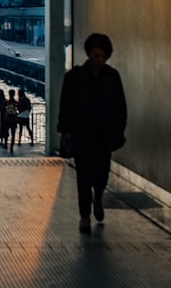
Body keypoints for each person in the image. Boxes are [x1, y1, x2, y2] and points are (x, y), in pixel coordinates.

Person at [58, 32, 128, 234]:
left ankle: (98, 196)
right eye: (96, 55)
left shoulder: (112, 77)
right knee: (83, 175)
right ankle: (85, 216)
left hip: (104, 134)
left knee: (102, 172)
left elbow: (120, 107)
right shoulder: (74, 77)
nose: (99, 59)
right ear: (88, 54)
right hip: (82, 134)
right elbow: (66, 106)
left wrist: (118, 130)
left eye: (103, 56)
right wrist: (65, 131)